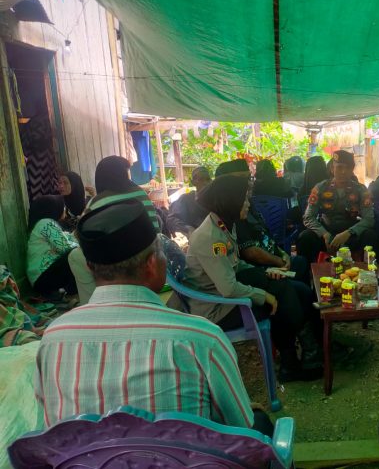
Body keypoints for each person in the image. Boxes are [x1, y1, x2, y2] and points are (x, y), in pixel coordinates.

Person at [34, 200, 272, 434]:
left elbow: (53, 428)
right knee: (260, 424)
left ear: (89, 267)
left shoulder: (52, 338)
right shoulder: (201, 339)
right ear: (151, 264)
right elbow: (242, 431)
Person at [185, 175, 322, 382]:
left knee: (299, 291)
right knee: (280, 295)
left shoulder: (223, 225)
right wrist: (263, 294)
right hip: (217, 309)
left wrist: (266, 272)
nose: (248, 203)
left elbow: (235, 263)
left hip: (226, 293)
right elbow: (228, 288)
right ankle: (292, 363)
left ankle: (314, 349)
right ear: (231, 201)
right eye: (244, 199)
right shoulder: (210, 237)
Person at [297, 150, 378, 264]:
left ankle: (368, 272)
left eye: (348, 168)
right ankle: (307, 276)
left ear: (352, 169)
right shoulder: (320, 188)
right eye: (339, 167)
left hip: (350, 233)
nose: (343, 172)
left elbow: (369, 219)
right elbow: (308, 217)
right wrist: (324, 234)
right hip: (326, 232)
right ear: (332, 168)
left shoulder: (361, 190)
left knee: (370, 235)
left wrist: (349, 233)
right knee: (305, 237)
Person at [88, 156, 160, 232]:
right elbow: (155, 227)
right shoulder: (140, 193)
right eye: (126, 172)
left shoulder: (97, 202)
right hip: (149, 242)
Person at [26, 195, 79, 296]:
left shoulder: (44, 224)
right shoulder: (46, 223)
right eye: (63, 206)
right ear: (54, 208)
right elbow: (66, 248)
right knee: (77, 254)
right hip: (42, 279)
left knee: (77, 252)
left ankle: (69, 292)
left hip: (41, 280)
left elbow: (67, 239)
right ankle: (71, 292)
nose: (65, 209)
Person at [166, 166, 212, 238]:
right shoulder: (186, 199)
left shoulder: (216, 199)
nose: (205, 183)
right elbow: (171, 219)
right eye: (201, 179)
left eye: (208, 179)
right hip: (195, 240)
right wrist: (187, 228)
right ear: (193, 182)